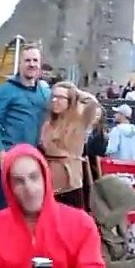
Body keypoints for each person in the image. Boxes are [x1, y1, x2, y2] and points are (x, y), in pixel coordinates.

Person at [0, 45, 51, 212]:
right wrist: (1, 151)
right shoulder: (6, 89)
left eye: (35, 60)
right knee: (3, 210)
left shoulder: (44, 92)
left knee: (29, 210)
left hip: (34, 159)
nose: (31, 64)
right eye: (27, 60)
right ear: (20, 64)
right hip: (11, 158)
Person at [40, 81, 100, 209]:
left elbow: (92, 102)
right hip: (50, 182)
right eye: (53, 96)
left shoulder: (79, 121)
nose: (55, 100)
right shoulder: (48, 124)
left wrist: (74, 92)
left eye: (60, 97)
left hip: (71, 184)